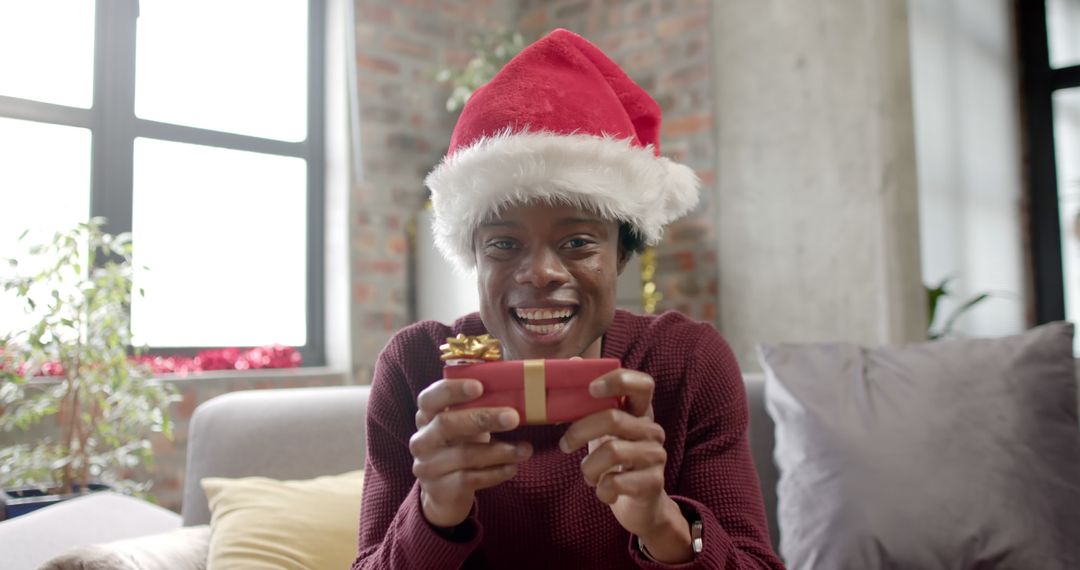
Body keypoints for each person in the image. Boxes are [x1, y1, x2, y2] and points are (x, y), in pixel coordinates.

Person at [352, 28, 784, 569]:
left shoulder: (687, 364)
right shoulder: (417, 367)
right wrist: (434, 513)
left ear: (621, 255)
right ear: (473, 257)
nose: (539, 272)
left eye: (578, 242)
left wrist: (663, 524)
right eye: (504, 244)